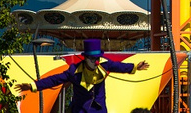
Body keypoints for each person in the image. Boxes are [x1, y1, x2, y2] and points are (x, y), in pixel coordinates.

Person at [14, 39, 150, 113]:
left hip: (99, 110)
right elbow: (54, 80)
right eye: (93, 59)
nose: (96, 62)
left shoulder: (104, 65)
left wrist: (135, 67)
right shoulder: (74, 71)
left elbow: (120, 67)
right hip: (81, 110)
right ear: (85, 58)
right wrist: (33, 86)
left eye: (97, 58)